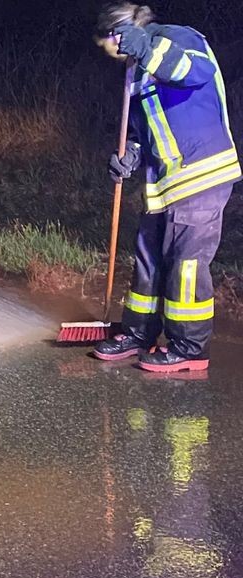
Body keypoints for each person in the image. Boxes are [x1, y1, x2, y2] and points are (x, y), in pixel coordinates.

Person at [92, 3, 239, 373]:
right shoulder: (136, 71)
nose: (109, 53)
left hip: (201, 173)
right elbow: (146, 130)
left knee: (185, 265)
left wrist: (147, 48)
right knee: (149, 261)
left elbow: (195, 70)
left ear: (119, 33)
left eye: (107, 43)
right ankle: (139, 332)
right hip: (164, 184)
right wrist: (131, 155)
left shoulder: (176, 38)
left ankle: (190, 348)